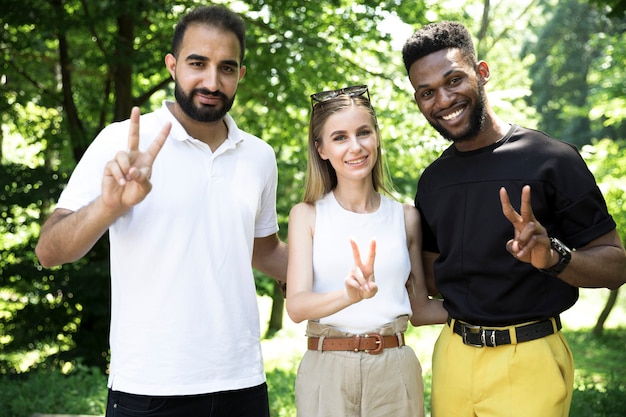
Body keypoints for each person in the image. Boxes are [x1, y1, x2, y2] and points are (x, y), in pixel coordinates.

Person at [35, 5, 287, 417]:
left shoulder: (259, 156)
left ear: (240, 74)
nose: (211, 80)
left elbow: (264, 252)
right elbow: (50, 251)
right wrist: (109, 205)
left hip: (241, 384)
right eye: (196, 63)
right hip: (148, 390)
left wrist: (353, 257)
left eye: (226, 67)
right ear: (172, 66)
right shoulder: (121, 142)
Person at [401, 21, 626, 417]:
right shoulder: (432, 182)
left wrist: (554, 256)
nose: (443, 99)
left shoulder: (552, 160)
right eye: (427, 92)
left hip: (530, 357)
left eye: (454, 80)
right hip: (452, 356)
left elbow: (616, 265)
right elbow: (433, 275)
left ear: (482, 72)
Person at [285, 85, 447, 417]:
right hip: (326, 369)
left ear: (376, 137)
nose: (355, 147)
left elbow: (420, 310)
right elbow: (297, 306)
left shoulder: (406, 217)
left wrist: (491, 301)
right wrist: (349, 295)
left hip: (394, 369)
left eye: (363, 133)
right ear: (321, 149)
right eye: (340, 137)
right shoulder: (307, 215)